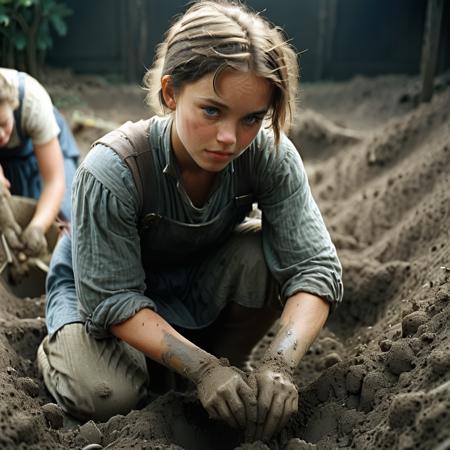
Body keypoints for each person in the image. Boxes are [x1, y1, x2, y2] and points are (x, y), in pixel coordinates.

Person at [37, 0, 343, 443]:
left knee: (266, 258)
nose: (229, 138)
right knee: (106, 395)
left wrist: (279, 365)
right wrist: (203, 369)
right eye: (212, 111)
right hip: (101, 290)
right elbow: (113, 298)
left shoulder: (268, 154)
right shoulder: (113, 169)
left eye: (252, 119)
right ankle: (76, 350)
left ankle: (208, 367)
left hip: (193, 275)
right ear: (170, 93)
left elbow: (315, 268)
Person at [0, 68, 79, 257]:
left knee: (65, 214)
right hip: (8, 159)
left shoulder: (32, 102)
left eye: (3, 124)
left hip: (46, 147)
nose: (0, 134)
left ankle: (65, 269)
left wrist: (38, 227)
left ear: (13, 105)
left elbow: (54, 181)